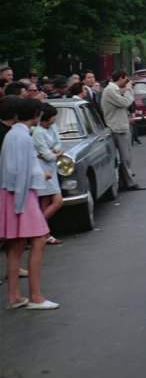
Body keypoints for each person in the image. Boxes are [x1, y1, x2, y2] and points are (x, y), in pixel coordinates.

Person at [2, 98, 58, 310]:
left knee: (16, 246)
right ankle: (36, 296)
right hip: (22, 195)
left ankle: (15, 296)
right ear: (36, 115)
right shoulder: (23, 137)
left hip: (13, 194)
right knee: (38, 241)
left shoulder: (13, 135)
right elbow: (21, 172)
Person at [101, 71, 144, 191]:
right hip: (117, 128)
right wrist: (129, 90)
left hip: (120, 126)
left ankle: (124, 181)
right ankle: (129, 183)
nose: (127, 83)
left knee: (126, 157)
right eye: (126, 80)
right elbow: (125, 102)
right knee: (125, 157)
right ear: (120, 78)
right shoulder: (110, 90)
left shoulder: (113, 89)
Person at [31, 104, 64, 246]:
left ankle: (44, 234)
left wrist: (54, 152)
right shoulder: (38, 132)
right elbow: (47, 155)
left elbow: (58, 143)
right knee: (57, 201)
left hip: (51, 169)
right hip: (42, 169)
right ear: (46, 118)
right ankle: (36, 229)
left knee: (45, 203)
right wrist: (54, 154)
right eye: (53, 116)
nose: (54, 119)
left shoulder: (52, 128)